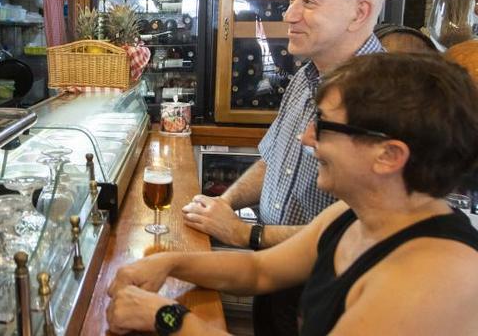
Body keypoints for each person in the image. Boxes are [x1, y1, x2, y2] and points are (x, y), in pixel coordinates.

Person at [107, 53, 478, 335]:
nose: (305, 138)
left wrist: (166, 316)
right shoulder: (352, 216)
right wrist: (169, 262)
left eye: (324, 126)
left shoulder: (433, 276)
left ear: (388, 155)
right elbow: (259, 270)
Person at [181, 0, 386, 335]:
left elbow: (362, 227)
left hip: (329, 284)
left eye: (307, 2)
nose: (289, 14)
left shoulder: (388, 99)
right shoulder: (306, 76)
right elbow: (273, 160)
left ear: (359, 13)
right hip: (275, 269)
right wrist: (222, 207)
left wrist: (245, 234)